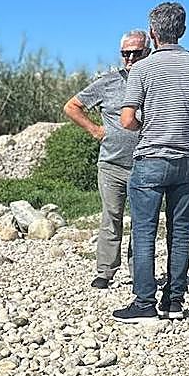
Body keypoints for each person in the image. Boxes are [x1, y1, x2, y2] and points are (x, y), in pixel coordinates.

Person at [114, 2, 189, 323]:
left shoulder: (142, 70)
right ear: (183, 31)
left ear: (152, 33)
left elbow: (127, 118)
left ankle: (144, 302)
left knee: (145, 233)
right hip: (188, 159)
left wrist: (150, 127)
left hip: (150, 158)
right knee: (181, 232)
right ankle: (174, 301)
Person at [64, 29, 150, 289]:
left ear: (148, 52)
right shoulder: (108, 81)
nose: (131, 58)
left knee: (142, 222)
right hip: (112, 163)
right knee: (111, 217)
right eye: (126, 53)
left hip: (145, 163)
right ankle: (105, 271)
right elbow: (72, 106)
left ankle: (140, 274)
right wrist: (96, 131)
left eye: (137, 52)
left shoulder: (155, 81)